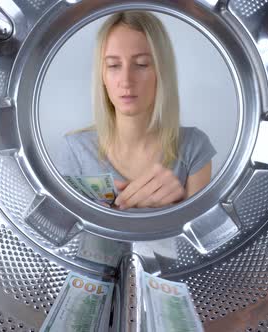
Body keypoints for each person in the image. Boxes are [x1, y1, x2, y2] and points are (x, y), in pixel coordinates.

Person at [56, 11, 216, 210]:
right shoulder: (75, 150)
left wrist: (180, 204)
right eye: (113, 65)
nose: (126, 81)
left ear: (161, 72)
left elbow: (201, 235)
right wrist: (114, 211)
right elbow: (66, 234)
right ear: (102, 77)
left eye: (141, 64)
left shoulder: (194, 146)